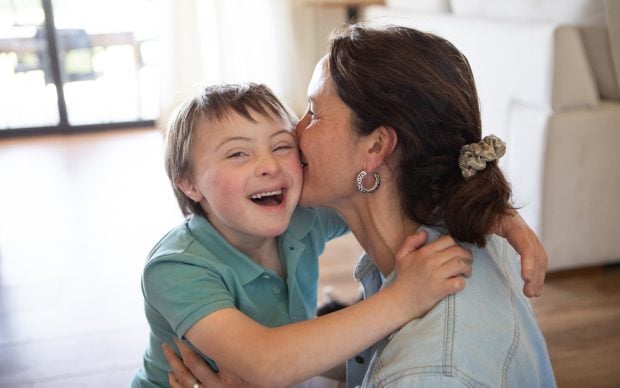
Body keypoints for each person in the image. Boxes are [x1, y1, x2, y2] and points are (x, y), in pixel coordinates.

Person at [165, 24, 556, 387]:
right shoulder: (471, 233)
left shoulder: (429, 372)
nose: (294, 132)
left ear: (375, 147)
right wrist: (499, 212)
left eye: (314, 113)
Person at [131, 83, 476, 388]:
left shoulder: (302, 217)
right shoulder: (177, 267)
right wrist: (404, 297)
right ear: (190, 184)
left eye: (282, 146)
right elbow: (267, 362)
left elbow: (389, 192)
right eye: (238, 153)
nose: (270, 165)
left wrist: (497, 214)